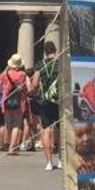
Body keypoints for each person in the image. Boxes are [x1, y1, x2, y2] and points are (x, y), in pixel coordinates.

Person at [33, 42, 62, 170]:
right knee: (60, 129)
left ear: (45, 51)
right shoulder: (60, 63)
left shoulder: (39, 65)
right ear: (55, 50)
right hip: (59, 101)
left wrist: (33, 91)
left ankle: (49, 162)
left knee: (45, 129)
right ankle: (61, 160)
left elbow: (34, 84)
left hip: (44, 101)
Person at [0, 54, 32, 157]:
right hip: (19, 102)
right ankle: (12, 147)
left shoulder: (6, 74)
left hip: (7, 102)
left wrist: (7, 69)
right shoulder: (22, 74)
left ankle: (6, 143)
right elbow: (26, 88)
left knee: (8, 124)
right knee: (17, 125)